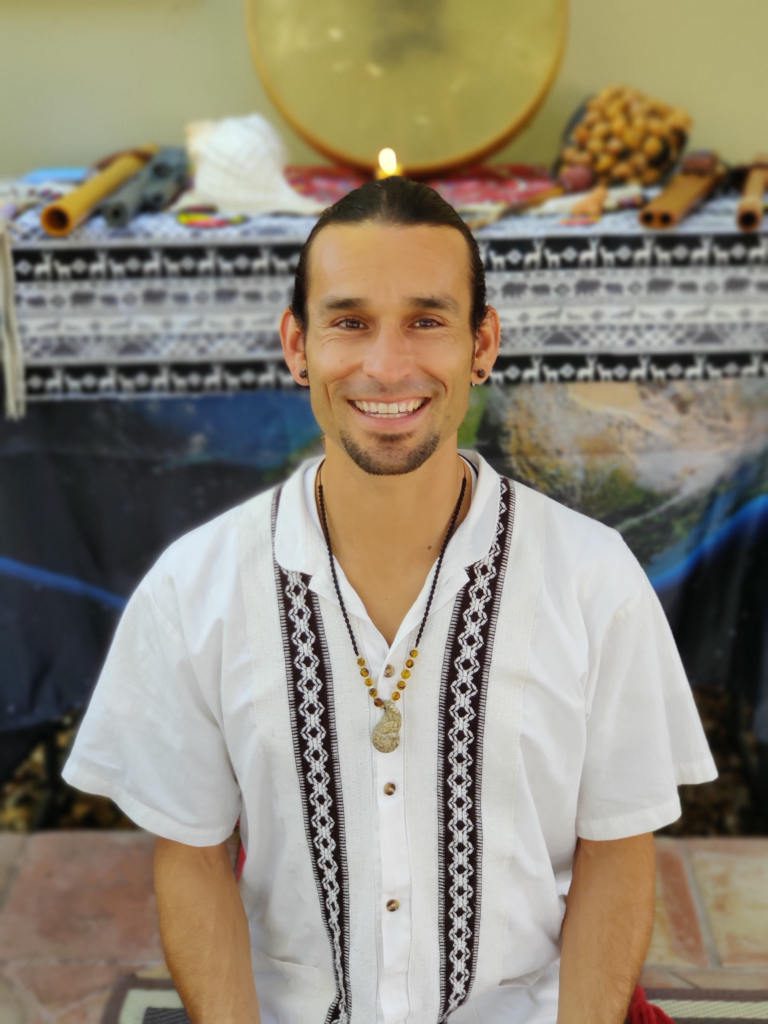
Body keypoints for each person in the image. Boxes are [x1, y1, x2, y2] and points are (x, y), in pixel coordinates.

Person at [63, 177, 716, 1024]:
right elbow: (191, 856)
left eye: (426, 320)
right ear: (296, 344)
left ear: (482, 344)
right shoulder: (196, 588)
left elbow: (617, 848)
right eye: (349, 322)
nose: (386, 365)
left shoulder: (594, 578)